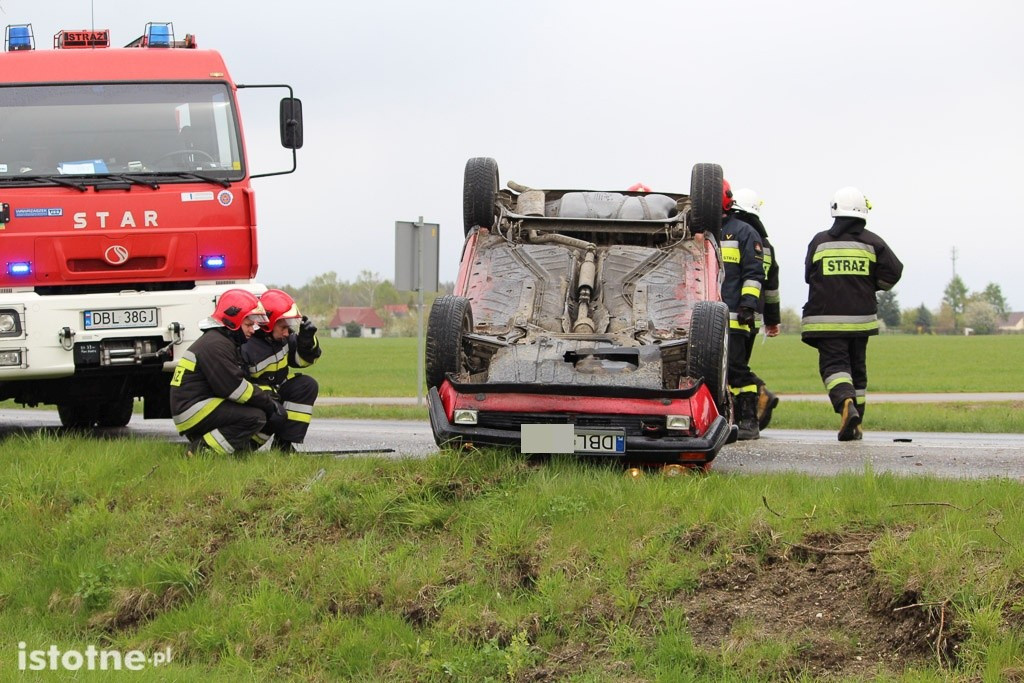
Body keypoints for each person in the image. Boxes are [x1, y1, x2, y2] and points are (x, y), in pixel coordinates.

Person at [801, 187, 903, 441]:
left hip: (825, 321)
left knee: (835, 367)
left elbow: (807, 276)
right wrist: (869, 284)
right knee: (857, 370)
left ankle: (846, 403)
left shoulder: (820, 241)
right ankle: (856, 424)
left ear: (835, 210)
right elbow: (894, 272)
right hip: (861, 321)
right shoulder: (873, 242)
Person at [170, 289, 286, 455]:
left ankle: (240, 452)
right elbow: (234, 388)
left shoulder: (220, 341)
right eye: (248, 325)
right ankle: (200, 451)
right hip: (193, 409)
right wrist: (268, 403)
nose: (253, 330)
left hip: (198, 405)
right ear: (232, 321)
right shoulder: (216, 345)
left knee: (261, 413)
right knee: (255, 416)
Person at [242, 289, 322, 452]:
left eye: (289, 327)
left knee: (307, 385)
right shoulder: (246, 346)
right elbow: (237, 384)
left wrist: (306, 343)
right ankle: (246, 447)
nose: (287, 332)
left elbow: (302, 361)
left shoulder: (283, 338)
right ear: (268, 323)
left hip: (274, 394)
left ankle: (283, 446)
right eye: (283, 327)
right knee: (273, 408)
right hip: (256, 399)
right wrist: (266, 395)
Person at [731, 188, 781, 431]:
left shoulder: (731, 234)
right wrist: (772, 320)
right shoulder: (767, 245)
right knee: (738, 365)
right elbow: (771, 288)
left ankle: (749, 411)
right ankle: (756, 396)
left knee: (734, 369)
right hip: (752, 316)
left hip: (735, 312)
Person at [719, 179, 766, 440]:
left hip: (734, 317)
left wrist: (748, 304)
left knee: (736, 370)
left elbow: (753, 273)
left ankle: (749, 421)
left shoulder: (744, 232)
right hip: (701, 320)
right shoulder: (693, 232)